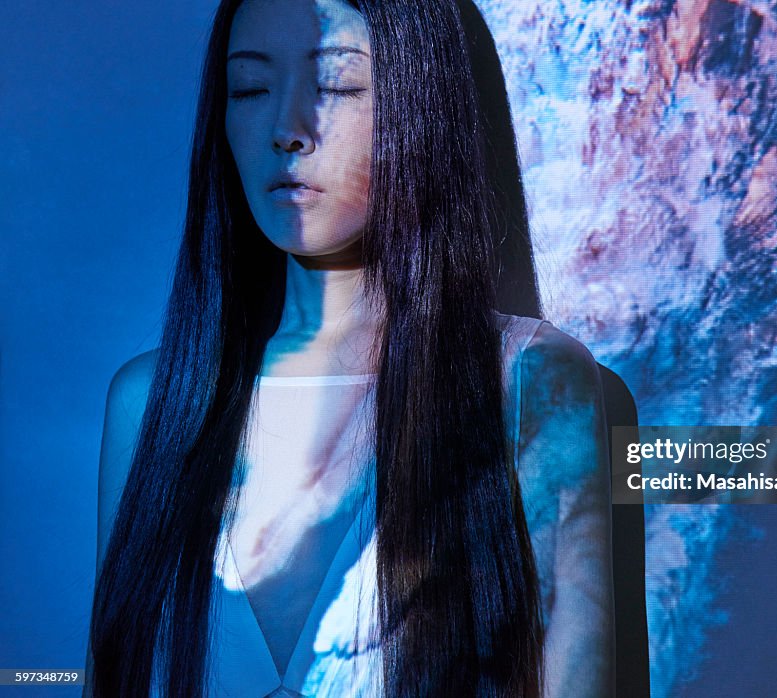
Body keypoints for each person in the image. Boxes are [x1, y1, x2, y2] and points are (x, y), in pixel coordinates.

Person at [84, 1, 614, 696]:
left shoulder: (529, 382)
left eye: (334, 85)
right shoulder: (150, 404)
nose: (286, 130)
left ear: (421, 97)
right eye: (248, 89)